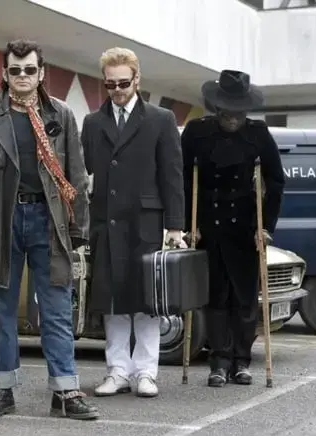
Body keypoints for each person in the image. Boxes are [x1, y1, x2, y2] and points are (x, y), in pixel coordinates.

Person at [0, 39, 98, 421]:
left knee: (57, 310)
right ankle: (3, 391)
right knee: (1, 312)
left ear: (41, 73)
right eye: (15, 70)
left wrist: (79, 226)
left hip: (50, 222)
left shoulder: (61, 113)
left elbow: (77, 174)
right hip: (3, 221)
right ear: (4, 73)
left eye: (29, 69)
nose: (22, 76)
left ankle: (65, 391)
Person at [80, 47, 185, 399]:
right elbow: (83, 173)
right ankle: (118, 371)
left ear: (137, 79)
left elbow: (172, 175)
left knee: (146, 302)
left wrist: (175, 226)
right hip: (106, 222)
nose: (117, 90)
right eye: (110, 84)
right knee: (112, 301)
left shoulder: (161, 119)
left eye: (123, 83)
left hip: (146, 223)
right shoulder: (93, 123)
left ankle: (145, 372)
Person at [181, 69, 285, 387]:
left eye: (239, 113)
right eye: (228, 113)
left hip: (244, 229)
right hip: (209, 226)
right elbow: (183, 179)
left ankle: (241, 361)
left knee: (244, 299)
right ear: (217, 109)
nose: (233, 120)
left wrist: (266, 227)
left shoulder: (258, 134)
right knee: (215, 298)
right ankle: (219, 362)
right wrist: (188, 225)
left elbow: (276, 181)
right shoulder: (197, 132)